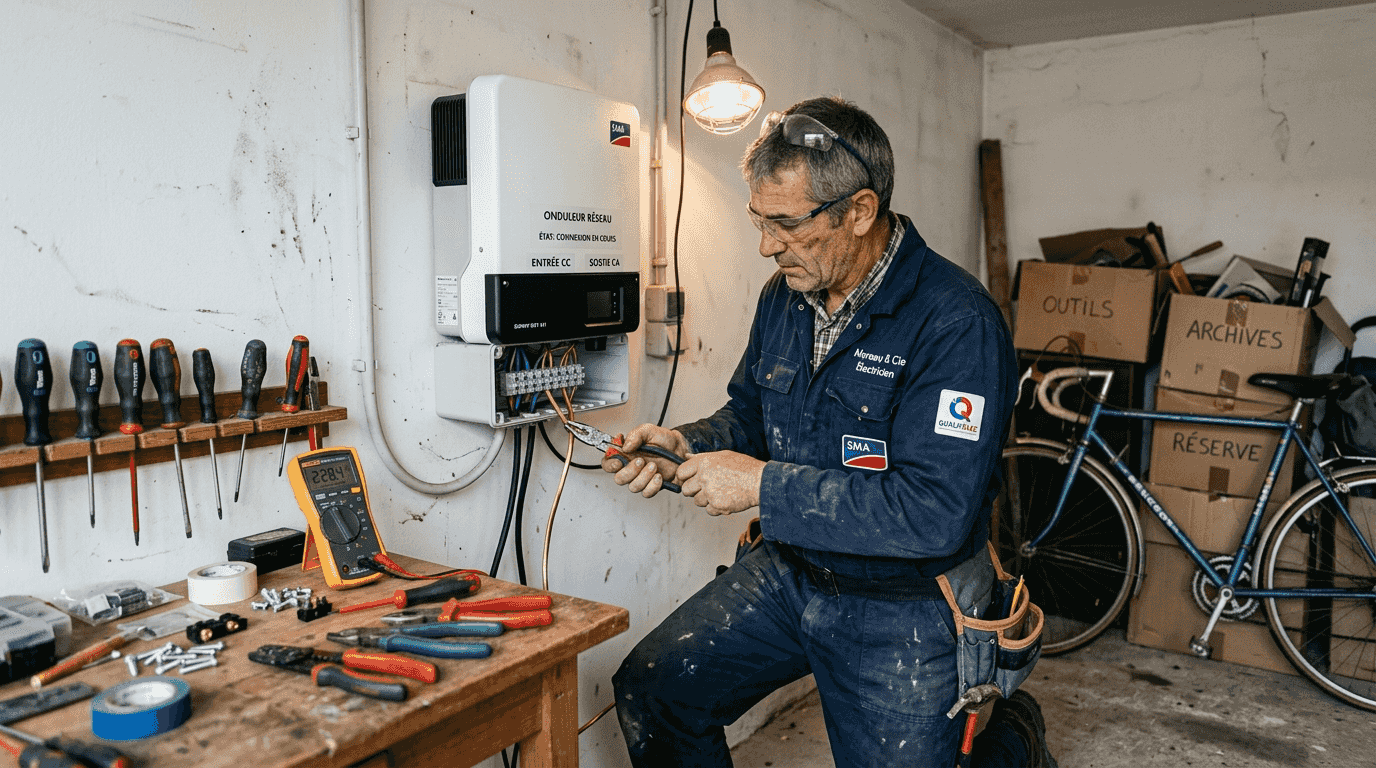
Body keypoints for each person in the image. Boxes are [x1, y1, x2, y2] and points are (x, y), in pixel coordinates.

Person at [604, 96, 1055, 768]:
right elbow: (752, 416)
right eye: (759, 220)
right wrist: (689, 445)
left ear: (860, 211)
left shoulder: (955, 322)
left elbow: (933, 513)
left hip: (905, 600)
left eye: (785, 224)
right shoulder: (782, 296)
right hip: (792, 572)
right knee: (656, 686)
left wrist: (760, 486)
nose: (766, 245)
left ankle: (1013, 740)